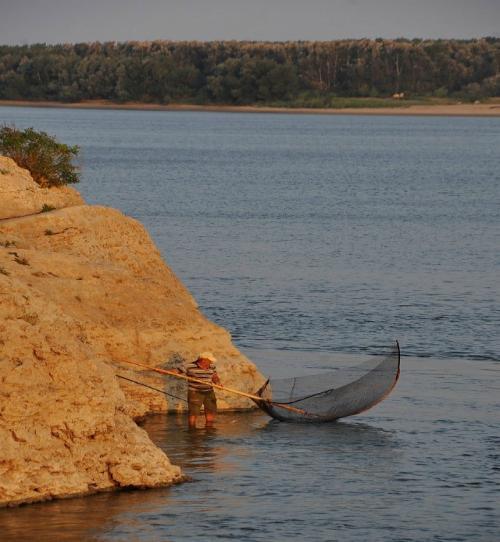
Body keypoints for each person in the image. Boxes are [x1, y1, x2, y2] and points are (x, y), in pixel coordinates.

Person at [185, 352, 220, 428]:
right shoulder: (189, 366)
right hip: (195, 392)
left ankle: (209, 430)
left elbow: (214, 376)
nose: (211, 362)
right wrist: (160, 371)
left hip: (209, 391)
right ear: (203, 360)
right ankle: (192, 430)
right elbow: (176, 371)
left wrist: (217, 382)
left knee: (210, 410)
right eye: (209, 360)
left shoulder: (212, 366)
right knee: (193, 413)